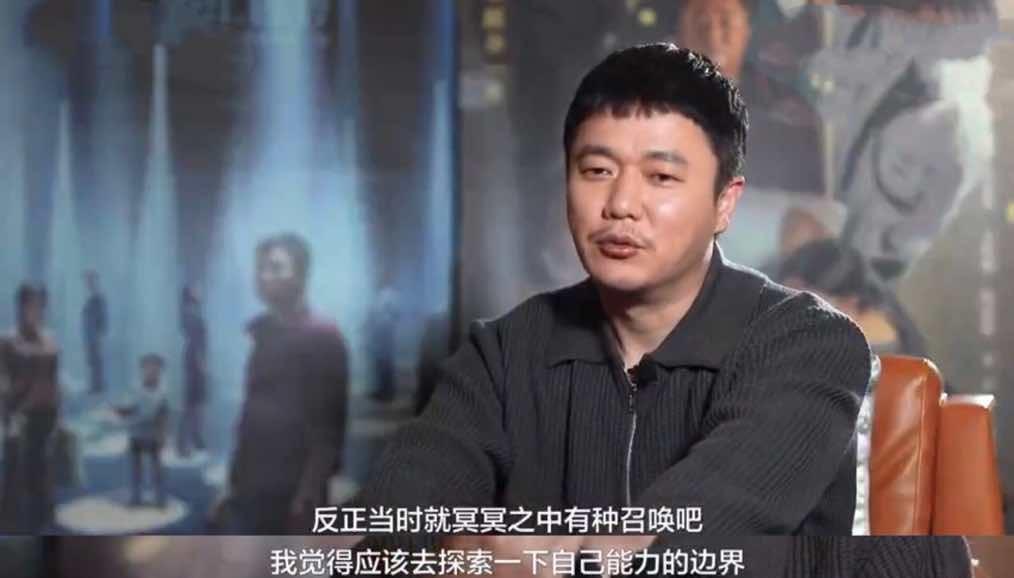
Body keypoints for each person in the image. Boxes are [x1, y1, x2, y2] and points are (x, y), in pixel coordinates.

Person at [354, 43, 872, 554]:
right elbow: (382, 534)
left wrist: (509, 555)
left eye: (661, 177)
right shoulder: (504, 354)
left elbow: (677, 545)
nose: (621, 205)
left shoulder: (809, 344)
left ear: (725, 202)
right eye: (597, 171)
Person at [216, 233, 349, 533]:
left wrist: (309, 492)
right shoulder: (263, 332)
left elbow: (329, 429)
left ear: (301, 274)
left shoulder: (323, 336)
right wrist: (232, 483)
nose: (264, 276)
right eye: (260, 268)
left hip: (293, 492)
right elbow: (251, 413)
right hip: (253, 484)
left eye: (276, 268)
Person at [0, 284, 60, 532]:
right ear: (21, 307)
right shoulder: (8, 340)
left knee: (43, 465)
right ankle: (12, 524)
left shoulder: (49, 339)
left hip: (45, 412)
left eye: (39, 305)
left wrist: (58, 413)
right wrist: (7, 414)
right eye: (31, 305)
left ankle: (42, 520)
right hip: (20, 413)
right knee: (17, 466)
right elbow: (2, 378)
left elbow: (53, 379)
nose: (36, 310)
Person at [114, 353, 170, 508]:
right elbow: (128, 408)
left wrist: (163, 433)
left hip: (153, 433)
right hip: (137, 432)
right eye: (147, 367)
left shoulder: (163, 391)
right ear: (142, 369)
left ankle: (159, 497)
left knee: (156, 467)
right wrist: (119, 411)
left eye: (155, 368)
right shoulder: (135, 389)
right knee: (136, 466)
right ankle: (136, 496)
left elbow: (164, 414)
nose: (151, 371)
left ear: (160, 371)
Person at [177, 286, 207, 458]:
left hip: (194, 360)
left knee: (196, 403)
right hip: (195, 362)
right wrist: (201, 363)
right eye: (196, 290)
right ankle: (184, 443)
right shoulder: (191, 314)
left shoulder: (191, 313)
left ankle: (194, 438)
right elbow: (196, 342)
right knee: (191, 403)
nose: (199, 291)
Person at [82, 270, 107, 394]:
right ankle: (95, 385)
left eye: (90, 280)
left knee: (96, 361)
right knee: (92, 361)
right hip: (90, 335)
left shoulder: (97, 298)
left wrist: (99, 334)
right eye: (87, 280)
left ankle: (98, 386)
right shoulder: (91, 298)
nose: (88, 283)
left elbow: (102, 317)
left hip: (94, 336)